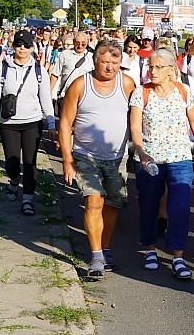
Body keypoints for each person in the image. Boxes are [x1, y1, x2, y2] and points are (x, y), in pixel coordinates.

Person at [58, 40, 137, 280]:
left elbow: (139, 115)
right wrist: (67, 159)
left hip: (117, 156)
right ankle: (96, 256)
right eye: (105, 62)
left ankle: (105, 247)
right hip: (86, 155)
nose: (110, 67)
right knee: (93, 202)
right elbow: (64, 122)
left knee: (112, 205)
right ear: (95, 61)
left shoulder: (126, 84)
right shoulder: (80, 85)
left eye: (115, 62)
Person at [129, 48, 194, 280]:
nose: (152, 71)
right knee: (149, 205)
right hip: (150, 160)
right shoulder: (140, 93)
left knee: (180, 208)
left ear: (172, 70)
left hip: (180, 158)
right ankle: (150, 249)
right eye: (150, 66)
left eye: (158, 67)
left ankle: (178, 256)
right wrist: (141, 152)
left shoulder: (184, 91)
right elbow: (134, 126)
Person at [0, 30, 56, 216]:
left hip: (33, 121)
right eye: (18, 44)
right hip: (9, 122)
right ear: (13, 46)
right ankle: (14, 180)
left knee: (30, 163)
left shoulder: (39, 71)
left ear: (32, 47)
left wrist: (52, 123)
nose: (22, 48)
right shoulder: (3, 68)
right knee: (11, 162)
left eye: (26, 45)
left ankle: (27, 200)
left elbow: (46, 98)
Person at [51, 30, 94, 108]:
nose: (80, 46)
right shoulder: (65, 54)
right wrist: (49, 92)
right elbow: (55, 74)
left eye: (83, 44)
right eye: (77, 43)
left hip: (85, 97)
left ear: (87, 43)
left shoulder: (91, 57)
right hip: (66, 95)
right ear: (74, 42)